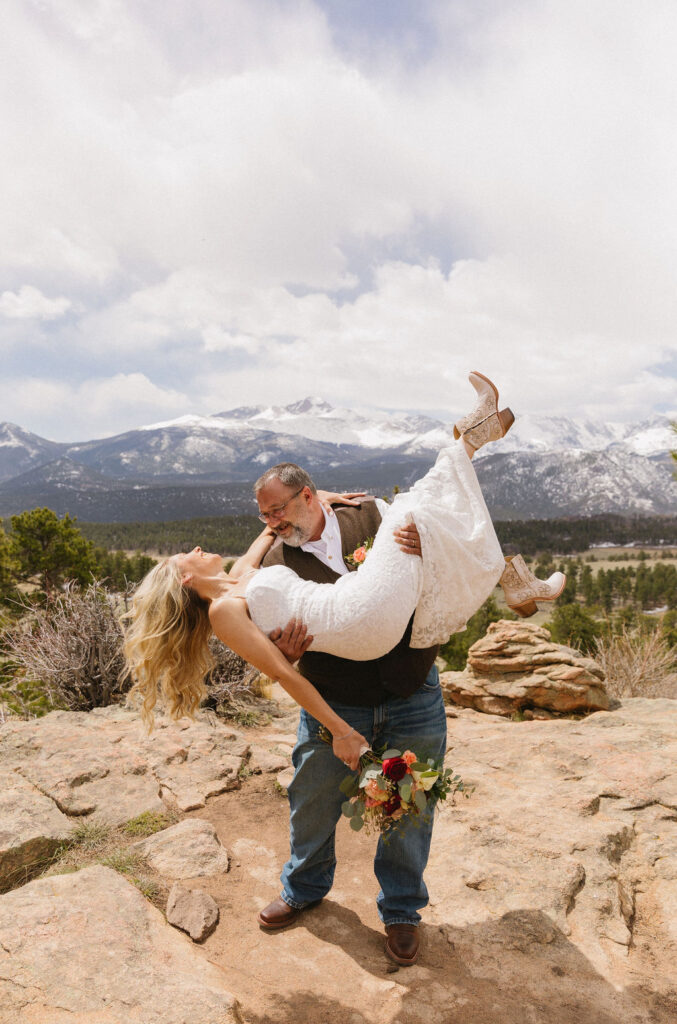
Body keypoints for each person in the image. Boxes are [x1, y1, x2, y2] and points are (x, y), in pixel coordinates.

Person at [123, 371, 564, 966]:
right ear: (185, 577)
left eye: (280, 511)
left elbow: (253, 555)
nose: (271, 525)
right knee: (312, 798)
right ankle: (303, 891)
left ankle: (402, 910)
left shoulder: (348, 522)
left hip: (409, 684)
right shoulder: (245, 588)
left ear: (308, 496)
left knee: (414, 800)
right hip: (344, 681)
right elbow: (282, 670)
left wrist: (351, 513)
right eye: (267, 518)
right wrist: (325, 704)